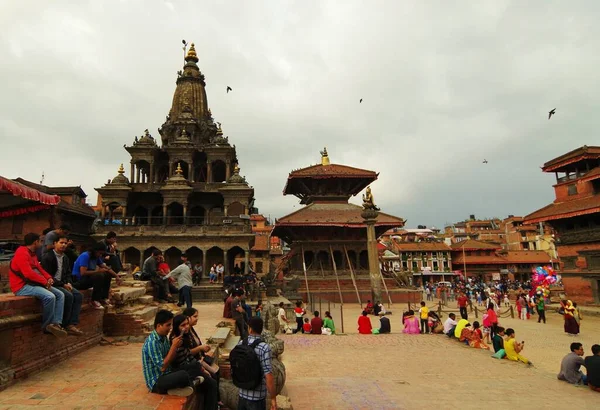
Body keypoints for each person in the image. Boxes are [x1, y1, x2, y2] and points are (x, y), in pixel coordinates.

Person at [9, 233, 67, 337]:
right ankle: (47, 326)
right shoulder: (22, 253)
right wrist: (44, 281)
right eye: (40, 241)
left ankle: (56, 323)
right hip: (21, 287)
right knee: (50, 296)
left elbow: (39, 268)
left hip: (33, 284)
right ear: (35, 242)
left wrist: (48, 278)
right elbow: (28, 273)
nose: (41, 243)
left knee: (60, 294)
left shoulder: (32, 253)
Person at [142, 310, 203, 397]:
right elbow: (162, 367)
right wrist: (173, 346)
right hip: (157, 382)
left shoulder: (163, 338)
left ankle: (183, 385)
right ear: (159, 325)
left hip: (168, 373)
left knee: (195, 365)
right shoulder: (152, 342)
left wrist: (177, 347)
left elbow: (171, 359)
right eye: (168, 325)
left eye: (171, 325)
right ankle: (189, 383)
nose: (170, 328)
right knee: (183, 375)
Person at [169, 314, 219, 409]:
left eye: (187, 324)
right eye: (182, 325)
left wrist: (202, 369)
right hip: (182, 369)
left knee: (212, 378)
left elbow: (188, 355)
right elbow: (180, 360)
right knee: (211, 383)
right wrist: (200, 369)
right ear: (177, 327)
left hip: (190, 366)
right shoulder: (176, 340)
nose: (186, 327)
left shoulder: (185, 336)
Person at [40, 234, 83, 336]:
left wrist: (68, 283)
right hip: (52, 284)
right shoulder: (48, 257)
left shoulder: (65, 258)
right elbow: (47, 275)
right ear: (54, 243)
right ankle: (63, 323)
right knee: (68, 296)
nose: (63, 245)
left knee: (78, 295)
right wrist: (63, 284)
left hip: (63, 284)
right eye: (61, 243)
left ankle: (72, 324)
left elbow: (68, 273)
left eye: (65, 243)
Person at [236, 317, 277, 410]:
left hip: (242, 393)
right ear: (261, 329)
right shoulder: (264, 347)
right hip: (257, 397)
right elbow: (268, 375)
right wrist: (273, 398)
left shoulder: (241, 343)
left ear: (249, 329)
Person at [72, 242, 122, 309]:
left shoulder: (96, 256)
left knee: (107, 274)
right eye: (100, 253)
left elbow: (106, 268)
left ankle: (103, 298)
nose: (100, 255)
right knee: (99, 275)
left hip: (88, 279)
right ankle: (95, 300)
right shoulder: (85, 256)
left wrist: (116, 276)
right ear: (95, 251)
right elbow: (83, 273)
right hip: (79, 281)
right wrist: (98, 271)